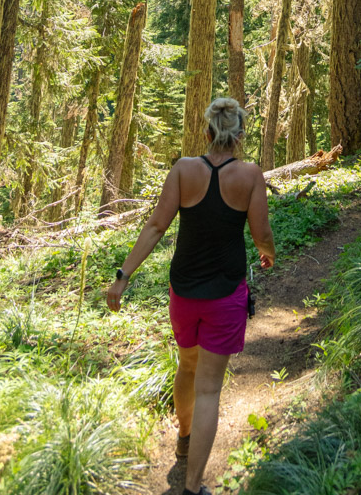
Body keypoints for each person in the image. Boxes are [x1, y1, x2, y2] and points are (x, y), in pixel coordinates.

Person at [106, 97, 275, 495]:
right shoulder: (250, 175)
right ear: (239, 136)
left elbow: (155, 226)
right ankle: (193, 486)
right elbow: (262, 235)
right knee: (210, 389)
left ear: (207, 133)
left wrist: (123, 276)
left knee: (187, 366)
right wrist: (268, 254)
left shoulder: (183, 170)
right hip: (225, 294)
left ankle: (184, 438)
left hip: (183, 291)